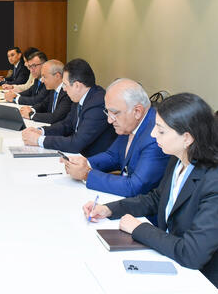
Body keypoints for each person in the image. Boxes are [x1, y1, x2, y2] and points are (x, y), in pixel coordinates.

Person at [83, 93, 218, 288]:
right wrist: (109, 209)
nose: (153, 135)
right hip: (168, 256)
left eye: (161, 131)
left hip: (200, 278)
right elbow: (156, 198)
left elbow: (191, 253)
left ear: (187, 138)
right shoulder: (178, 158)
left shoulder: (213, 181)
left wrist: (138, 228)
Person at [63, 78, 169, 197]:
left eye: (115, 113)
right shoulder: (130, 124)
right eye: (108, 112)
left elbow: (135, 186)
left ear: (137, 111)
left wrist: (87, 174)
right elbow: (113, 156)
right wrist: (85, 163)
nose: (109, 120)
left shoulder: (155, 136)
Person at [21, 58, 116, 157]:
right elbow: (67, 124)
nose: (64, 89)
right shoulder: (80, 96)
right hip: (77, 155)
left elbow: (76, 143)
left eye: (65, 85)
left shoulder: (98, 104)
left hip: (91, 160)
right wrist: (41, 131)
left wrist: (39, 140)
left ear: (77, 85)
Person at [20, 59, 72, 124]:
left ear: (57, 76)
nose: (42, 80)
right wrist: (31, 109)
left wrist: (31, 115)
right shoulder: (53, 89)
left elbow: (55, 117)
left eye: (44, 77)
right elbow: (43, 105)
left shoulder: (67, 93)